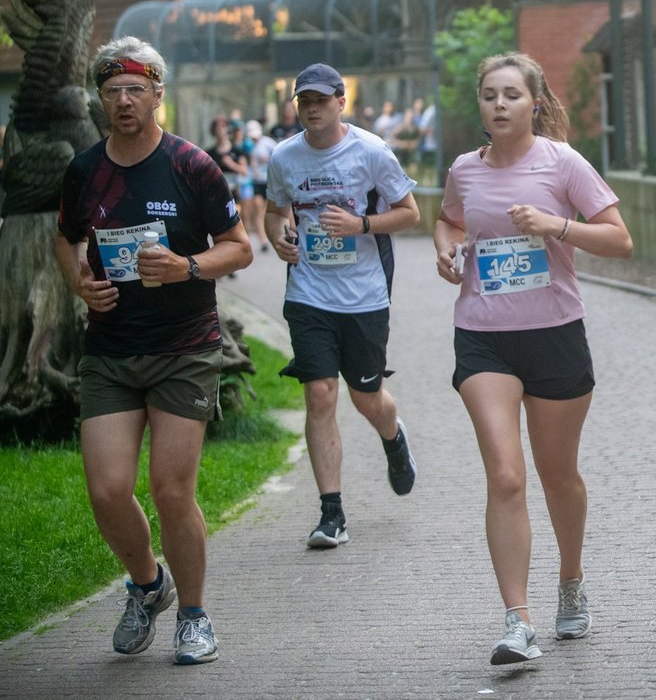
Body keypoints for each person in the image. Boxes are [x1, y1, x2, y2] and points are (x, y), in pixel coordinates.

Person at [54, 36, 253, 664]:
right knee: (108, 490)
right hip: (111, 349)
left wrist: (186, 266)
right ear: (100, 99)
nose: (124, 101)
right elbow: (66, 237)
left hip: (184, 347)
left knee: (171, 490)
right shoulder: (85, 171)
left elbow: (239, 247)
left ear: (157, 94)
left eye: (135, 90)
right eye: (113, 91)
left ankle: (194, 616)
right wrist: (79, 282)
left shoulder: (191, 165)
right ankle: (147, 585)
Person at [433, 52, 633, 665]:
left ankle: (570, 580)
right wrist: (447, 252)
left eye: (512, 95)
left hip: (554, 334)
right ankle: (516, 620)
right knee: (505, 475)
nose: (499, 104)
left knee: (557, 475)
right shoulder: (464, 169)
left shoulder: (563, 162)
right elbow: (448, 221)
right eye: (490, 94)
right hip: (483, 337)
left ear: (534, 103)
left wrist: (555, 225)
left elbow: (620, 240)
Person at [264, 63, 421, 549]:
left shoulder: (371, 152)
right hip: (308, 294)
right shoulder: (284, 157)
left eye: (320, 100)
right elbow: (275, 212)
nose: (312, 109)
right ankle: (331, 513)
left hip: (364, 296)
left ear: (340, 102)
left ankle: (394, 438)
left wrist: (361, 225)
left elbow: (410, 213)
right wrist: (280, 239)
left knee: (365, 397)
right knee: (320, 394)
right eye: (304, 101)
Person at [246, 119, 275, 252]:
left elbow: (279, 156)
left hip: (269, 180)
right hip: (256, 181)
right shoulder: (247, 146)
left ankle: (274, 236)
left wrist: (268, 159)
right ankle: (263, 240)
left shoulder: (268, 142)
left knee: (271, 209)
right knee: (259, 209)